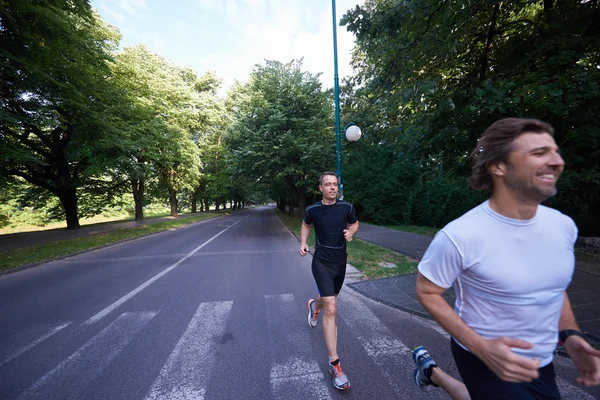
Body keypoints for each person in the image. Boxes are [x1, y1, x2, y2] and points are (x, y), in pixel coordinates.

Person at [414, 118, 600, 400]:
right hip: (483, 359)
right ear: (498, 165)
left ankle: (433, 373)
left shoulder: (563, 226)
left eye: (555, 151)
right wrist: (481, 347)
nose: (556, 161)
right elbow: (427, 291)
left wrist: (570, 335)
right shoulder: (460, 235)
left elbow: (552, 287)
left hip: (540, 360)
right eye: (539, 153)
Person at [299, 171, 359, 390]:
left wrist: (351, 232)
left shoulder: (347, 207)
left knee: (328, 300)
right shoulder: (312, 210)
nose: (333, 188)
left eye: (335, 184)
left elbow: (354, 223)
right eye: (328, 184)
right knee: (332, 308)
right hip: (321, 262)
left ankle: (314, 305)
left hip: (340, 264)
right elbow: (306, 225)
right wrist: (303, 243)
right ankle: (335, 364)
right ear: (321, 188)